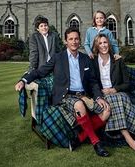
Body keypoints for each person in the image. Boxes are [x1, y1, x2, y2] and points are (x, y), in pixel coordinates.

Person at [15, 27, 110, 157]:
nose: (74, 41)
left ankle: (79, 139)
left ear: (80, 40)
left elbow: (93, 81)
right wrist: (23, 80)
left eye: (76, 39)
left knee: (106, 111)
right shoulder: (58, 58)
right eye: (70, 39)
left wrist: (98, 97)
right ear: (66, 41)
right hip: (66, 96)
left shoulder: (85, 59)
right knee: (79, 105)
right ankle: (96, 143)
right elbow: (40, 71)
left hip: (84, 95)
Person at [91, 34, 135, 154]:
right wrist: (101, 92)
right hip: (103, 94)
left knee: (121, 99)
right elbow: (91, 83)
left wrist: (114, 89)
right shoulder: (92, 61)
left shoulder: (117, 60)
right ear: (96, 46)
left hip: (117, 92)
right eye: (100, 43)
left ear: (109, 44)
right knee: (117, 101)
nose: (103, 45)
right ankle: (130, 139)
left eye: (105, 42)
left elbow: (127, 84)